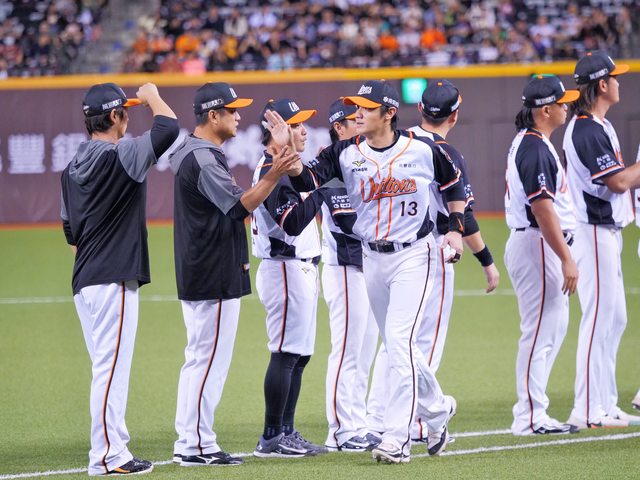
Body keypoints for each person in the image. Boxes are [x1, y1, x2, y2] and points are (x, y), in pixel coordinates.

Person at [269, 80, 463, 464]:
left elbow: (454, 186)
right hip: (371, 257)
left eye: (366, 107)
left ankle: (396, 438)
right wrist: (284, 150)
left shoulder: (423, 149)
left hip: (413, 255)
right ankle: (438, 409)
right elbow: (305, 179)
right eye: (357, 106)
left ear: (389, 113)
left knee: (399, 341)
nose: (358, 113)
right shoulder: (344, 152)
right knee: (399, 346)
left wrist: (455, 229)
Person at [169, 83, 301, 467]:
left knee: (200, 359)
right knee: (207, 362)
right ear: (213, 115)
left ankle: (192, 440)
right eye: (232, 110)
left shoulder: (193, 150)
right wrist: (274, 174)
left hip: (201, 266)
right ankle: (195, 444)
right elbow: (239, 207)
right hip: (212, 269)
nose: (239, 117)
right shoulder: (202, 157)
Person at [61, 82, 179, 476]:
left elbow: (70, 233)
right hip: (113, 278)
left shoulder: (70, 168)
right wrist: (152, 95)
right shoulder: (121, 155)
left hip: (85, 280)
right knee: (111, 371)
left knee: (105, 369)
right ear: (115, 116)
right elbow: (168, 128)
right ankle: (108, 456)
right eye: (124, 110)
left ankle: (113, 447)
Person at [400, 79, 501, 440]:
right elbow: (463, 215)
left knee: (399, 340)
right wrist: (486, 260)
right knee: (423, 342)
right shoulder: (446, 154)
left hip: (393, 248)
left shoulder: (399, 141)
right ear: (455, 116)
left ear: (420, 109)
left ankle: (392, 417)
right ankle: (419, 420)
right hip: (435, 249)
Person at [563, 51, 640, 429]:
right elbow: (619, 182)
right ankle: (587, 408)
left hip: (606, 231)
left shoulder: (598, 125)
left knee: (615, 319)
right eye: (615, 77)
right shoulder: (586, 130)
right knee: (597, 320)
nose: (619, 82)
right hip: (592, 231)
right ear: (602, 85)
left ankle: (606, 403)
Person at [251, 98, 328, 458]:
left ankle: (286, 431)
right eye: (295, 125)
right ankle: (271, 436)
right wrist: (324, 190)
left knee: (298, 355)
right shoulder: (273, 169)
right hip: (284, 268)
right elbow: (292, 222)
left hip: (298, 268)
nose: (304, 131)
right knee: (285, 354)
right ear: (276, 131)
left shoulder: (287, 168)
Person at [504, 74, 581, 435]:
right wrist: (566, 258)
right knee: (538, 333)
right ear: (545, 110)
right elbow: (542, 209)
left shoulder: (534, 142)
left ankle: (534, 410)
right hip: (537, 243)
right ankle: (530, 416)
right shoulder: (534, 147)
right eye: (561, 102)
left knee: (552, 329)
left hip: (539, 243)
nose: (567, 106)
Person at [321, 100, 380, 452]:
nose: (359, 121)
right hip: (344, 266)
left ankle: (357, 422)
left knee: (364, 351)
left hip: (368, 265)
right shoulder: (332, 162)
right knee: (346, 351)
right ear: (338, 128)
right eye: (351, 118)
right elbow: (347, 220)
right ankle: (340, 430)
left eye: (361, 115)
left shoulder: (365, 159)